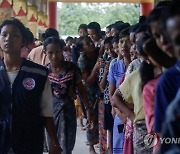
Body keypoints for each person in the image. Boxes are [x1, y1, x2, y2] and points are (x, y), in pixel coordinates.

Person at [0, 17, 62, 154]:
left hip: (29, 142)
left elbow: (46, 111)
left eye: (15, 35)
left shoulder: (38, 73)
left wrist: (54, 141)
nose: (8, 38)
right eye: (4, 34)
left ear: (23, 41)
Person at [43, 37, 91, 154]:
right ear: (45, 53)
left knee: (67, 147)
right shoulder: (44, 71)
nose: (54, 56)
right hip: (50, 116)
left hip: (68, 113)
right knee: (53, 146)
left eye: (57, 52)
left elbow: (81, 89)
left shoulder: (72, 68)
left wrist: (88, 110)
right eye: (50, 53)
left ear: (62, 51)